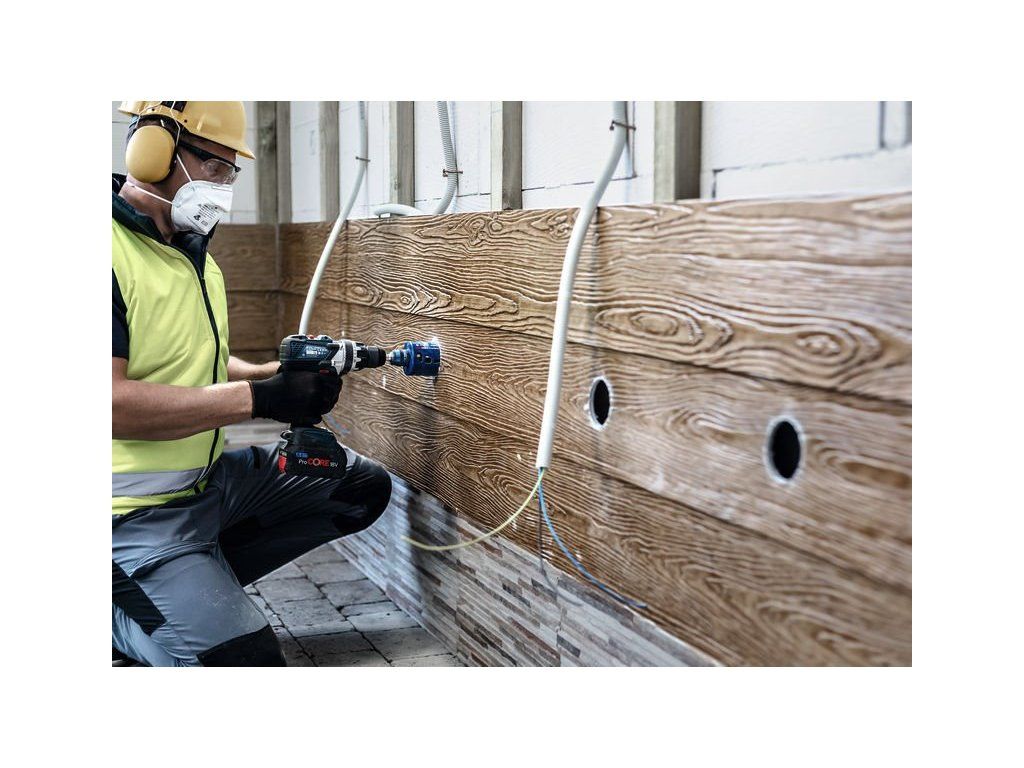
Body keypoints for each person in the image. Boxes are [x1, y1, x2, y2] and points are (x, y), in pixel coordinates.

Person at [112, 101, 391, 666]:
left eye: (230, 171)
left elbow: (193, 363)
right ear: (153, 150)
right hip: (127, 515)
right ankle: (123, 610)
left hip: (205, 488)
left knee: (356, 488)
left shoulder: (190, 253)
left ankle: (184, 586)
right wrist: (262, 400)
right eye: (214, 166)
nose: (222, 185)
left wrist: (271, 374)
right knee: (246, 666)